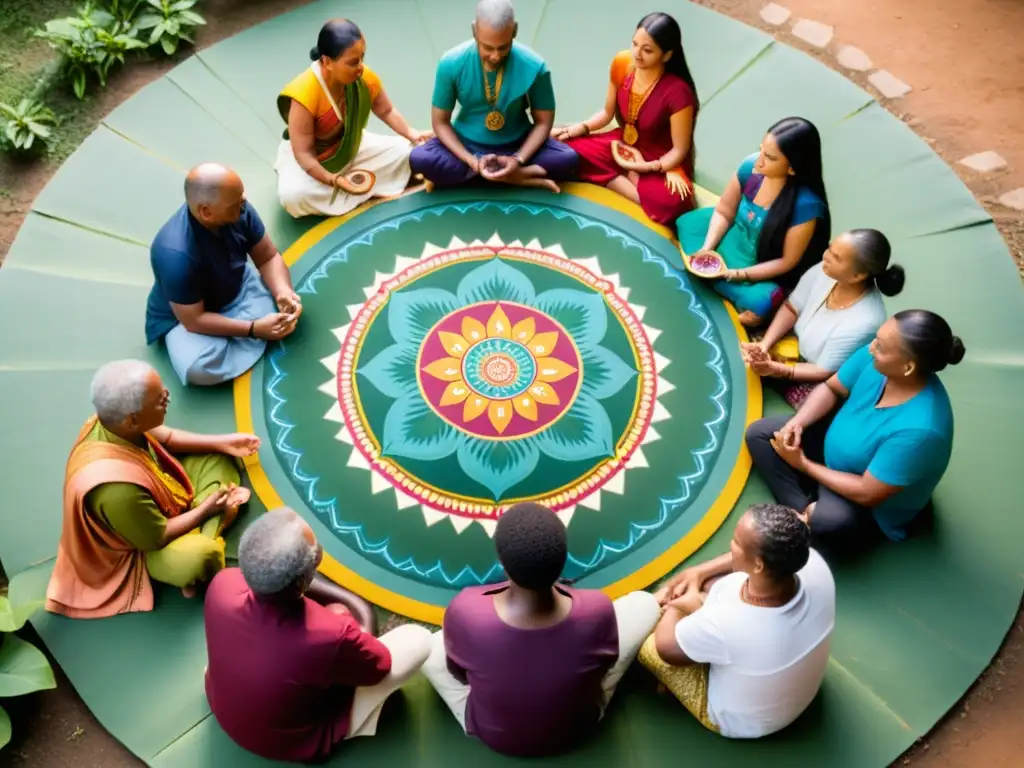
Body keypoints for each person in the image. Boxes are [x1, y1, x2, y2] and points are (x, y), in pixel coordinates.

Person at [421, 502, 660, 757]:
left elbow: (459, 675)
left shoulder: (466, 609)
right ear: (563, 558)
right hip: (580, 726)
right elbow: (606, 665)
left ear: (502, 563)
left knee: (427, 645)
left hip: (496, 735)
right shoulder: (597, 608)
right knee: (644, 604)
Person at [205, 507, 433, 763]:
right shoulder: (330, 634)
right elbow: (379, 667)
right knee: (418, 640)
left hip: (222, 705)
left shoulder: (223, 583)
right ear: (303, 582)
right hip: (290, 740)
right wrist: (343, 618)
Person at [45, 360, 255, 619]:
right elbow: (156, 538)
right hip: (143, 545)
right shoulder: (116, 490)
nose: (167, 396)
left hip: (158, 495)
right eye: (158, 399)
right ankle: (212, 526)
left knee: (217, 457)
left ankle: (214, 517)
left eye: (162, 389)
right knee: (200, 556)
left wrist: (223, 443)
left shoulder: (112, 423)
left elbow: (166, 438)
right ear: (132, 420)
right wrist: (206, 510)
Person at [746, 310, 963, 557]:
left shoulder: (921, 431)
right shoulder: (875, 358)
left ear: (907, 366)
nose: (871, 348)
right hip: (838, 449)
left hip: (865, 498)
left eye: (881, 347)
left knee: (831, 523)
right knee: (760, 434)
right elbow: (831, 388)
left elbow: (867, 492)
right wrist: (798, 424)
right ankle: (804, 513)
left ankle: (811, 515)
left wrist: (803, 464)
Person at [640, 504, 835, 738]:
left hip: (741, 722)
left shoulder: (726, 623)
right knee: (710, 586)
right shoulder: (815, 565)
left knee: (649, 641)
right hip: (794, 697)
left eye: (736, 541)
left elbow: (666, 649)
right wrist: (699, 572)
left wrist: (679, 604)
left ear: (759, 564)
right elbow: (741, 571)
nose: (731, 545)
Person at [146, 163, 301, 387]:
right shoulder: (174, 254)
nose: (244, 202)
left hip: (237, 288)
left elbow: (267, 257)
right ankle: (255, 327)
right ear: (206, 212)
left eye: (242, 196)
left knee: (281, 307)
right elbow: (194, 320)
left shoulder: (240, 208)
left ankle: (257, 324)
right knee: (199, 368)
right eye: (235, 203)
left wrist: (282, 291)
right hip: (189, 316)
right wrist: (253, 329)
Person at [410, 0, 578, 192]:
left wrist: (518, 158)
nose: (496, 56)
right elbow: (440, 123)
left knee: (568, 159)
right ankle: (515, 178)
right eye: (487, 48)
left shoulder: (535, 66)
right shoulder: (450, 64)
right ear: (475, 31)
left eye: (504, 47)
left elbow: (543, 123)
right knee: (420, 158)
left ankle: (489, 175)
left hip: (518, 144)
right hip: (467, 144)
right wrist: (472, 160)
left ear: (514, 30)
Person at [677, 117, 831, 326]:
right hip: (732, 234)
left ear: (792, 168)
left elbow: (786, 262)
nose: (759, 161)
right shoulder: (750, 167)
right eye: (761, 150)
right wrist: (707, 249)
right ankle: (716, 277)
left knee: (759, 303)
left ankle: (737, 289)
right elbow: (724, 211)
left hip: (760, 262)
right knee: (688, 224)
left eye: (769, 157)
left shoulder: (805, 207)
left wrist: (737, 275)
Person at [275, 18, 431, 218]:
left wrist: (413, 134)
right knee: (293, 197)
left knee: (408, 150)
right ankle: (359, 188)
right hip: (311, 161)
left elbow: (386, 111)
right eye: (353, 62)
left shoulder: (364, 78)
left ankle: (354, 190)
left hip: (353, 147)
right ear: (327, 62)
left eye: (362, 58)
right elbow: (304, 155)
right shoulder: (304, 95)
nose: (360, 67)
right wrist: (334, 180)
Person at [555, 12, 698, 225]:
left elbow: (679, 150)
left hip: (660, 159)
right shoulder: (622, 62)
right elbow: (607, 113)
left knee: (675, 204)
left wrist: (642, 168)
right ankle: (618, 178)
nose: (637, 54)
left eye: (647, 50)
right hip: (622, 143)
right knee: (564, 151)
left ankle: (615, 177)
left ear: (667, 55)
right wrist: (581, 127)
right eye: (635, 44)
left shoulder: (679, 92)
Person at [742, 229, 905, 408]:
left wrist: (776, 369)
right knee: (746, 346)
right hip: (792, 344)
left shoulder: (866, 320)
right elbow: (791, 307)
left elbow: (823, 370)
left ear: (857, 276)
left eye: (836, 257)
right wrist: (764, 344)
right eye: (829, 249)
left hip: (815, 373)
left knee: (814, 404)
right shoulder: (826, 269)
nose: (825, 256)